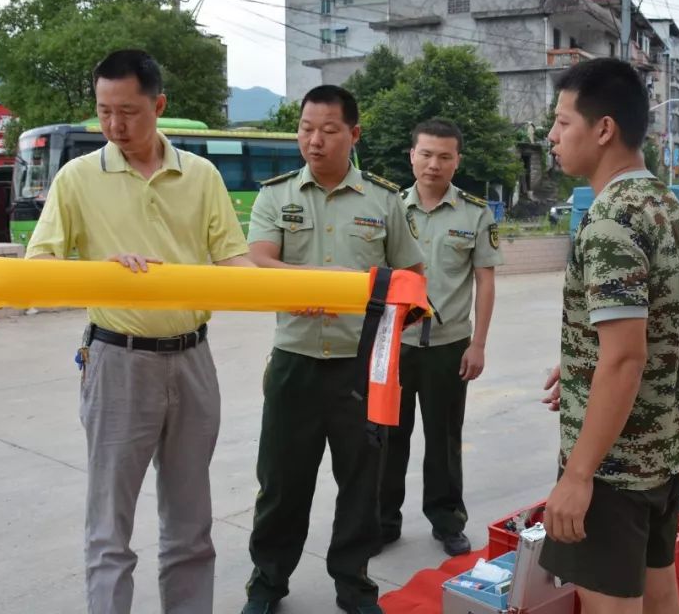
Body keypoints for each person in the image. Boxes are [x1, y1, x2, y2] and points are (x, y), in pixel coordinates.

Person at [25, 49, 253, 614]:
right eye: (104, 112)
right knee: (110, 527)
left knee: (190, 523)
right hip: (118, 362)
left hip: (193, 361)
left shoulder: (200, 175)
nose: (115, 125)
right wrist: (100, 272)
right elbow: (39, 268)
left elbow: (236, 266)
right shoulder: (77, 178)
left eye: (128, 111)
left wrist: (307, 297)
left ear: (160, 105)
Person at [241, 84, 425, 614]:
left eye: (327, 129)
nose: (314, 140)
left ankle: (353, 582)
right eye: (305, 128)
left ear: (353, 134)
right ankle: (268, 581)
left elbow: (411, 275)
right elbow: (259, 262)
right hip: (295, 364)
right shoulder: (276, 194)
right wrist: (317, 282)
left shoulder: (383, 200)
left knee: (361, 484)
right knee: (281, 482)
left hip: (361, 368)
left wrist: (367, 288)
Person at [538, 58, 679, 614]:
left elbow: (625, 359)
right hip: (664, 452)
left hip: (614, 466)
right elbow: (656, 328)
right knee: (660, 596)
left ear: (603, 129)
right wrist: (585, 365)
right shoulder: (664, 205)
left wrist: (579, 476)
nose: (552, 137)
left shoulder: (610, 219)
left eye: (562, 123)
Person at [378, 119, 502, 556]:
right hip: (395, 344)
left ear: (457, 161)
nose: (434, 164)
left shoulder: (474, 213)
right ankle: (383, 521)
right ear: (411, 155)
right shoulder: (389, 207)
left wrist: (479, 343)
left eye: (444, 156)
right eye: (426, 154)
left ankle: (447, 520)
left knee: (444, 438)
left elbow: (485, 282)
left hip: (450, 346)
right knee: (388, 436)